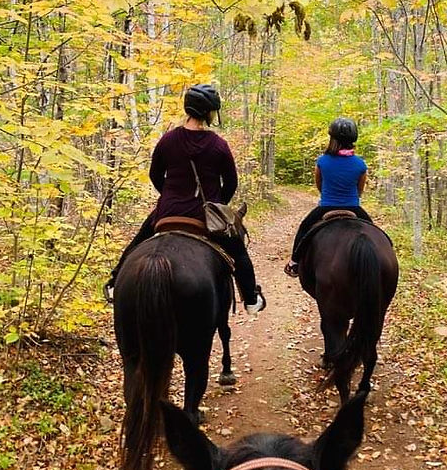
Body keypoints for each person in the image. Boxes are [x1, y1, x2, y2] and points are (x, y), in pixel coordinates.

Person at [104, 84, 266, 314]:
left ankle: (114, 282)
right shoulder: (219, 145)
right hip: (205, 216)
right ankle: (251, 299)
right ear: (209, 112)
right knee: (238, 251)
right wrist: (217, 206)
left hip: (168, 211)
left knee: (139, 240)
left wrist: (170, 196)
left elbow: (154, 175)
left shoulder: (167, 140)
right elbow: (231, 182)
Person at [285, 117, 372, 277]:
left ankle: (294, 262)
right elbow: (359, 190)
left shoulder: (322, 161)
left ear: (332, 139)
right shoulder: (360, 164)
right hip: (353, 207)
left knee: (304, 227)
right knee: (373, 230)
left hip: (326, 206)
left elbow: (320, 185)